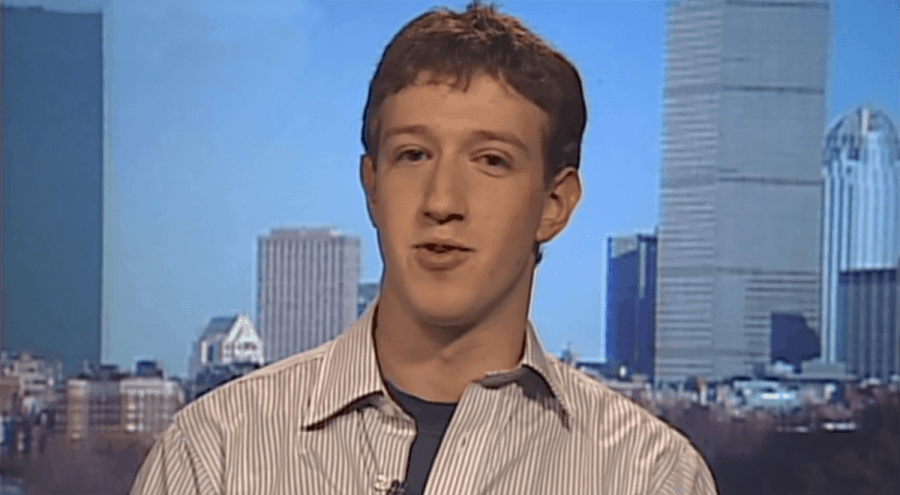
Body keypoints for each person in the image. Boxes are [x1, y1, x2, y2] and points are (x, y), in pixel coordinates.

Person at [130, 2, 718, 494]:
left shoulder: (646, 475)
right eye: (413, 155)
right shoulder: (215, 455)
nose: (441, 201)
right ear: (373, 186)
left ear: (553, 204)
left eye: (490, 161)